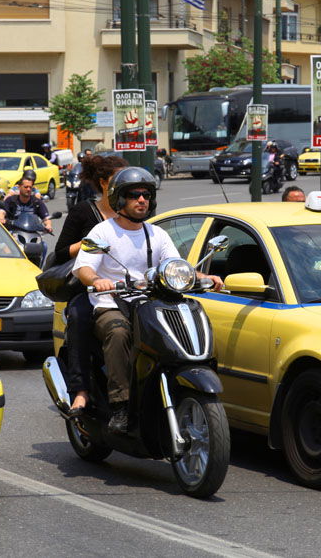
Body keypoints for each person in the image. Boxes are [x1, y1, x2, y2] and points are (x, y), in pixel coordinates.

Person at [73, 167, 223, 433]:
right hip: (111, 304)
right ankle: (120, 405)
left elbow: (175, 266)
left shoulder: (157, 234)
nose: (141, 200)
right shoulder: (102, 232)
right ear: (120, 199)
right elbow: (83, 267)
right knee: (118, 332)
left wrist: (203, 276)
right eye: (134, 195)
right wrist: (97, 281)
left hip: (150, 303)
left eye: (145, 194)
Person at [52, 154, 127, 416]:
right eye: (120, 180)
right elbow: (60, 252)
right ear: (105, 183)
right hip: (90, 288)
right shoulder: (84, 211)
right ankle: (81, 390)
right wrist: (92, 243)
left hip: (127, 289)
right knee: (80, 317)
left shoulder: (132, 212)